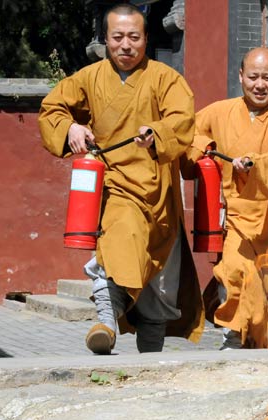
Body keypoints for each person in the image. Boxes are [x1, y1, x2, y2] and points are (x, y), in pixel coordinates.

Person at [38, 3, 203, 354]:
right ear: (105, 39)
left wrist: (157, 132)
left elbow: (183, 120)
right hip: (114, 185)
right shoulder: (90, 77)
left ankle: (150, 360)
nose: (125, 45)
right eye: (117, 37)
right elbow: (53, 108)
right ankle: (105, 320)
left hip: (158, 192)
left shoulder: (166, 78)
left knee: (159, 283)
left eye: (133, 37)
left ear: (146, 38)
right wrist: (70, 127)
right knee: (118, 243)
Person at [182, 47, 268, 349]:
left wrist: (253, 163)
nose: (259, 85)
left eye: (267, 77)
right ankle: (233, 337)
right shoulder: (220, 112)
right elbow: (186, 132)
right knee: (235, 271)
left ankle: (259, 344)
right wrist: (206, 146)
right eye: (252, 77)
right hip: (233, 217)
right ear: (240, 76)